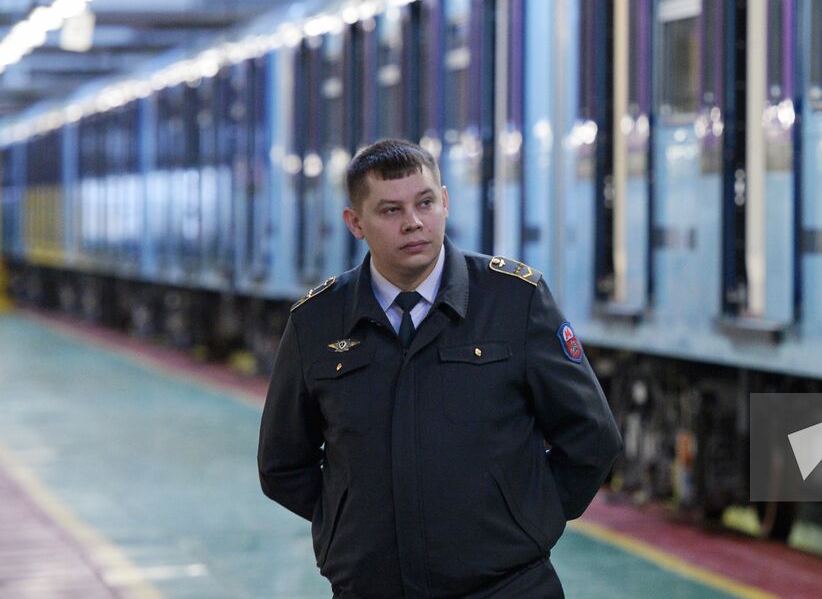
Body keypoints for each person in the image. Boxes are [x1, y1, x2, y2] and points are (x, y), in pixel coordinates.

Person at [258, 138, 622, 599]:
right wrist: (354, 521)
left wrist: (526, 517)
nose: (413, 223)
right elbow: (282, 464)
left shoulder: (515, 301)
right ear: (356, 223)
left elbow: (592, 436)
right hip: (372, 587)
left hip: (508, 585)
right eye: (390, 211)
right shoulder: (316, 322)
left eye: (425, 203)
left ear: (445, 202)